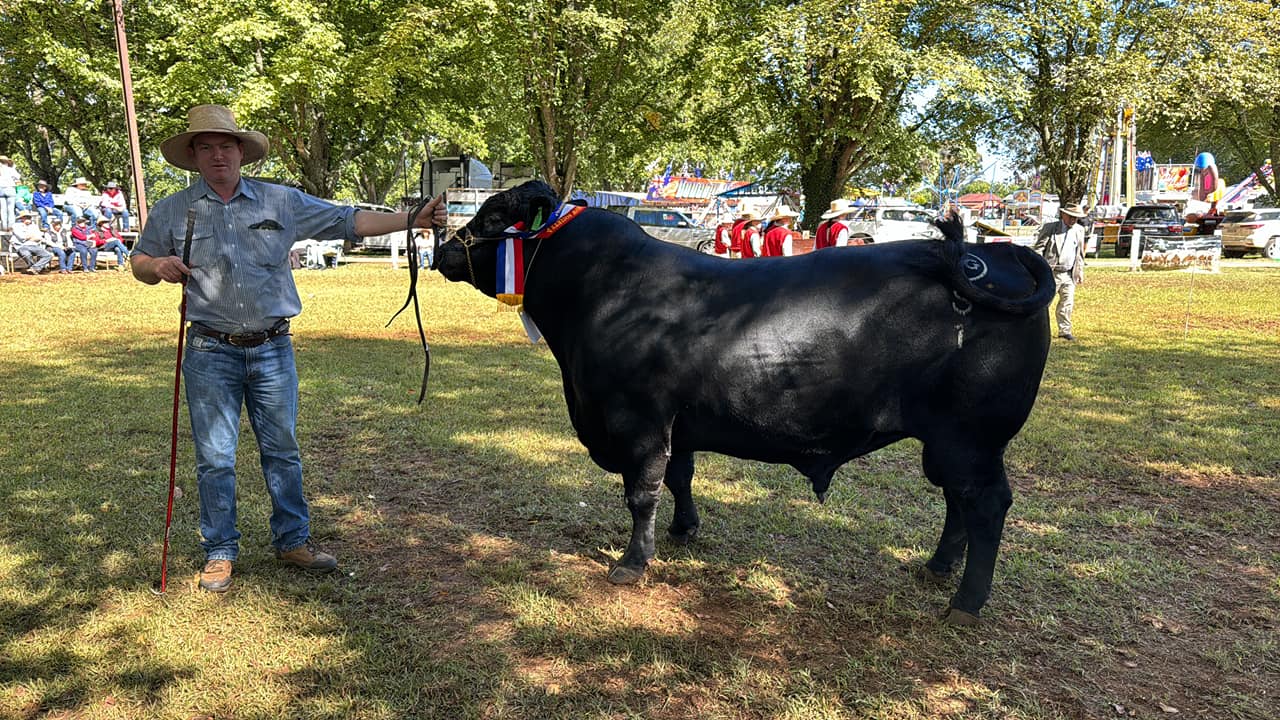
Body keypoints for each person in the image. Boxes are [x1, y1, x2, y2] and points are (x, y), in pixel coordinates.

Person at [131, 104, 447, 593]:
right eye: (206, 147)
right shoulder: (174, 209)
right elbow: (140, 260)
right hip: (209, 350)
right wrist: (159, 268)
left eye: (226, 145)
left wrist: (411, 219)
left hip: (273, 347)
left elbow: (348, 221)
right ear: (193, 155)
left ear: (243, 152)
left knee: (283, 450)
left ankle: (293, 540)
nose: (218, 155)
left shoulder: (281, 201)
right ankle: (219, 550)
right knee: (215, 456)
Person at [1033, 202, 1087, 341]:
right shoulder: (1050, 228)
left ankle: (1064, 331)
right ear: (1063, 214)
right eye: (1070, 216)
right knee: (1045, 303)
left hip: (1069, 274)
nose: (1073, 220)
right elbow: (1038, 250)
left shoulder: (1079, 230)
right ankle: (1036, 329)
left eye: (1076, 217)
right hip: (1051, 273)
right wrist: (1039, 269)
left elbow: (1079, 253)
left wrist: (1080, 270)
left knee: (1067, 303)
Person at [0, 155, 21, 230]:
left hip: (1, 188)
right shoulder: (10, 169)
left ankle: (4, 226)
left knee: (3, 209)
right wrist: (13, 167)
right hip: (10, 188)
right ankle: (11, 226)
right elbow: (18, 177)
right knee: (10, 209)